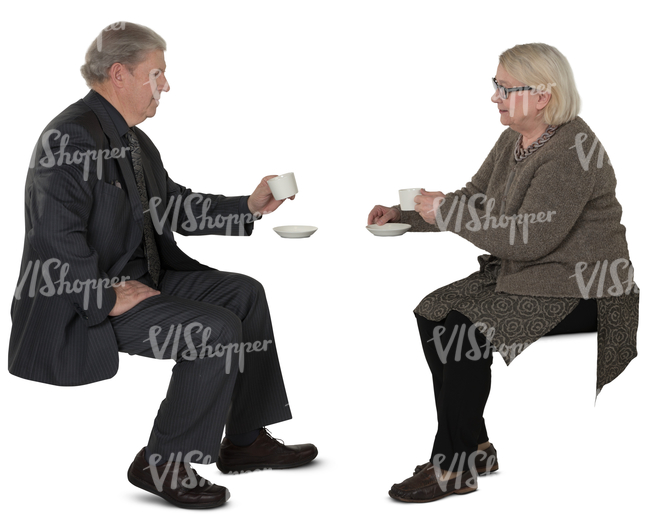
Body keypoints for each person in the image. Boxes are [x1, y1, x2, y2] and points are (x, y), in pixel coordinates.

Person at [9, 22, 316, 510]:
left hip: (147, 275)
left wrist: (249, 205)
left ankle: (241, 438)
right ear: (120, 74)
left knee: (244, 294)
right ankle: (164, 461)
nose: (166, 86)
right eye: (157, 74)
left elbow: (170, 207)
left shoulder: (133, 140)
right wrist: (106, 296)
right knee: (214, 329)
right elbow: (53, 238)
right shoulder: (68, 138)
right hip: (81, 299)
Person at [367, 43, 639, 503]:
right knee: (433, 312)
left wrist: (447, 211)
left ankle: (453, 465)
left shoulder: (573, 149)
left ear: (543, 96)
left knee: (463, 329)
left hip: (585, 287)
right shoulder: (514, 138)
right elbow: (475, 198)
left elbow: (529, 238)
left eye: (505, 88)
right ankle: (474, 447)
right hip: (529, 274)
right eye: (496, 86)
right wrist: (404, 216)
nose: (494, 97)